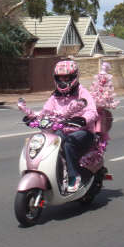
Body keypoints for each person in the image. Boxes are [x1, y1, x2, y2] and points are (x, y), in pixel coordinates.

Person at [40, 60, 98, 193]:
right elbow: (46, 111)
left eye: (66, 78)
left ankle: (74, 176)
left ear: (74, 77)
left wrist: (83, 119)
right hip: (62, 130)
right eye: (60, 78)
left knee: (68, 144)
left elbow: (92, 111)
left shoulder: (82, 93)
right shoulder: (55, 96)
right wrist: (35, 117)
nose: (62, 81)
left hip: (83, 132)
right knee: (49, 141)